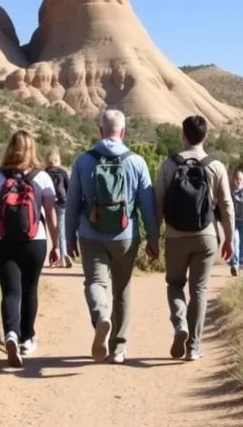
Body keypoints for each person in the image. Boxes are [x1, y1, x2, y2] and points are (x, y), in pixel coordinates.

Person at [63, 109, 157, 364]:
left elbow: (72, 203)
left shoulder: (83, 161)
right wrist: (153, 238)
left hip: (90, 234)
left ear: (100, 131)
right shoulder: (137, 161)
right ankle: (118, 348)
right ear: (123, 132)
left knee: (95, 283)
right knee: (123, 288)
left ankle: (100, 315)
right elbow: (147, 204)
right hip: (126, 236)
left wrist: (68, 237)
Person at [0, 130, 59, 368]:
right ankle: (27, 339)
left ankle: (10, 334)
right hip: (36, 241)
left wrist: (2, 216)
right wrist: (56, 245)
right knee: (30, 290)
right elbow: (51, 215)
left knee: (11, 291)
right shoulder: (43, 178)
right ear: (33, 149)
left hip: (2, 241)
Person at [155, 115, 234, 362]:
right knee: (199, 290)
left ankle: (180, 325)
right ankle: (193, 347)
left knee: (175, 284)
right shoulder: (216, 166)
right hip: (206, 236)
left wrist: (154, 238)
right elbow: (227, 206)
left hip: (176, 236)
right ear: (205, 138)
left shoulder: (168, 165)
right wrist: (230, 238)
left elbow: (156, 203)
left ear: (183, 136)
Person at [45, 149, 72, 268]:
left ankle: (52, 254)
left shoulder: (44, 173)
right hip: (62, 203)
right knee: (62, 230)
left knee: (50, 229)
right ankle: (63, 255)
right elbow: (68, 188)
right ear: (58, 161)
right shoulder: (63, 172)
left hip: (48, 204)